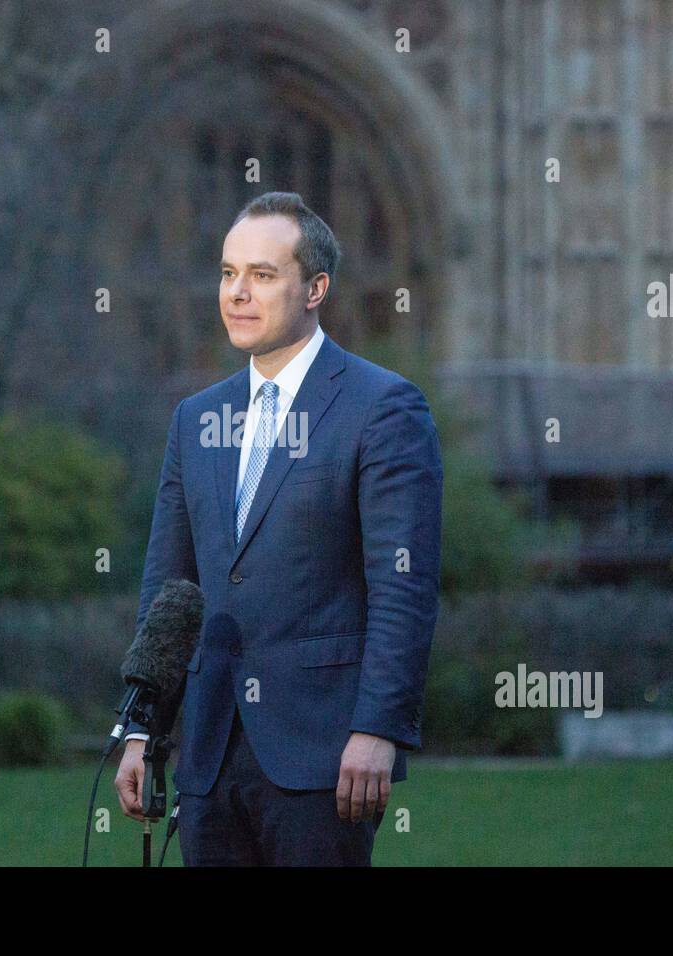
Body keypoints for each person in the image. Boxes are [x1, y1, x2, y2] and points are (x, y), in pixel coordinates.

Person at [114, 191, 442, 866]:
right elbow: (170, 587)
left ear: (316, 288)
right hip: (208, 760)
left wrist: (377, 727)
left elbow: (402, 588)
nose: (237, 292)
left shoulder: (383, 408)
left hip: (325, 758)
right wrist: (143, 728)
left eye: (262, 275)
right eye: (228, 273)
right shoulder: (194, 419)